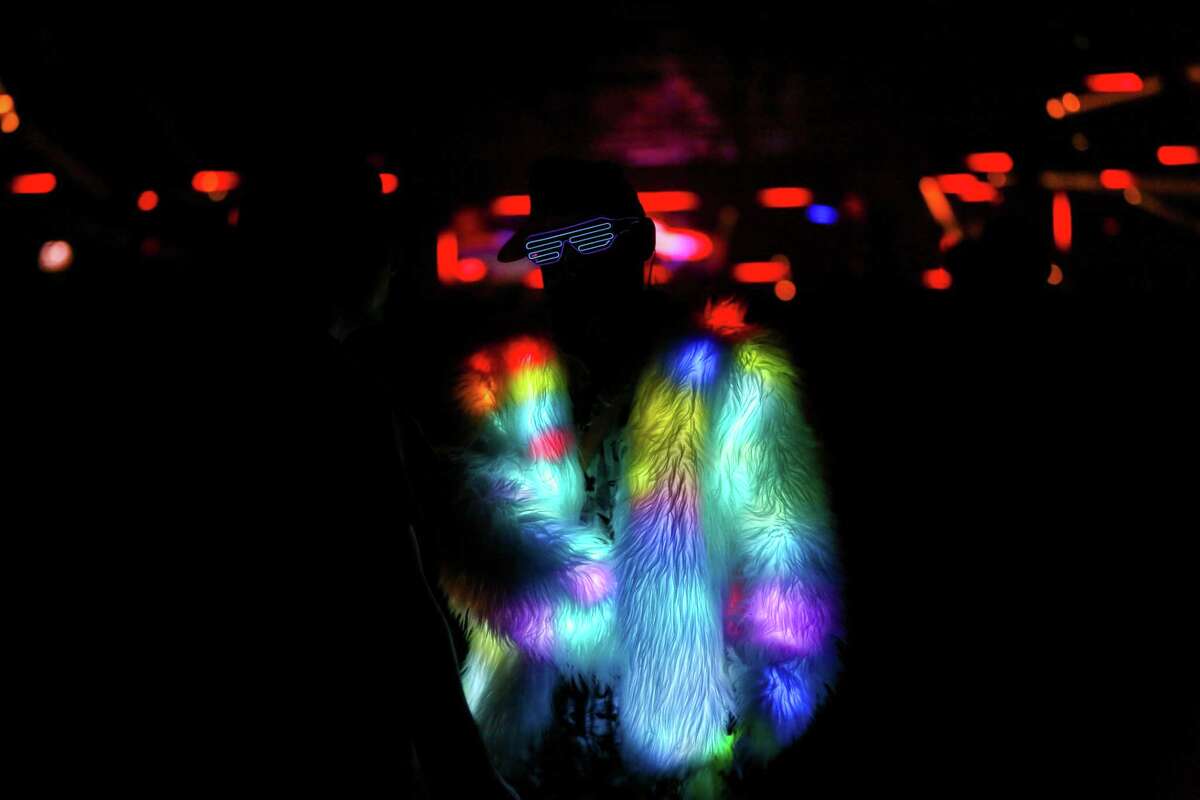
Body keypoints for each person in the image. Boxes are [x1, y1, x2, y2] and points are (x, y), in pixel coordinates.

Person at [439, 158, 844, 796]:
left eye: (590, 241)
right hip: (542, 746)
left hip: (683, 741)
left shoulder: (723, 379)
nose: (568, 266)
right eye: (549, 248)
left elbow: (785, 553)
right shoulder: (508, 387)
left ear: (639, 244)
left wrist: (760, 721)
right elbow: (482, 561)